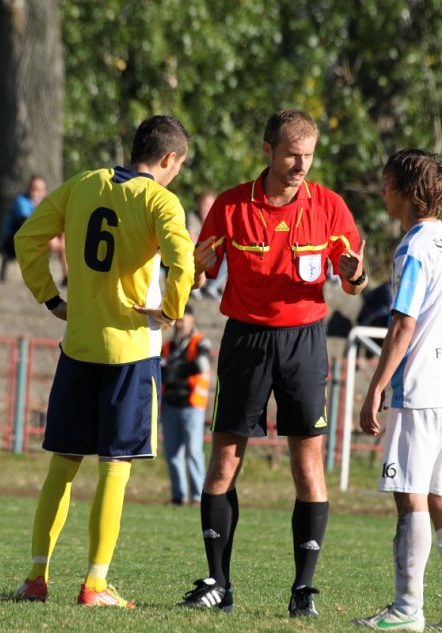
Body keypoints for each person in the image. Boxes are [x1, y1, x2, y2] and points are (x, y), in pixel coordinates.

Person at [179, 109, 368, 618]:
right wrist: (193, 269)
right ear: (268, 150)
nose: (301, 165)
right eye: (291, 155)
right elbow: (197, 274)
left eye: (308, 155)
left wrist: (356, 275)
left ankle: (303, 590)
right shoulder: (232, 205)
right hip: (246, 339)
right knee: (225, 460)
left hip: (305, 342)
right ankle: (218, 583)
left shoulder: (329, 206)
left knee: (307, 465)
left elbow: (354, 283)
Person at [11, 115, 195, 608]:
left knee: (62, 466)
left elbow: (27, 238)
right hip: (130, 351)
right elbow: (182, 261)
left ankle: (36, 578)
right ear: (169, 159)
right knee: (115, 467)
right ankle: (94, 585)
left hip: (79, 346)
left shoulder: (82, 184)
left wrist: (51, 298)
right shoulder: (160, 200)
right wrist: (171, 309)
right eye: (178, 166)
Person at [350, 149, 442, 632]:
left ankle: (407, 609)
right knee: (438, 494)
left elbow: (403, 325)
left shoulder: (413, 248)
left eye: (387, 182)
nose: (382, 190)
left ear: (407, 192)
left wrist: (375, 387)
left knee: (408, 495)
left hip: (421, 386)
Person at [160, 304, 211, 506]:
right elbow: (161, 369)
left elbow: (202, 364)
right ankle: (178, 496)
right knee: (172, 453)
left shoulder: (200, 342)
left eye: (183, 319)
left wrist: (176, 370)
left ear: (192, 320)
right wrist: (176, 370)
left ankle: (198, 496)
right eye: (177, 320)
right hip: (170, 404)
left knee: (193, 451)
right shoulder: (168, 346)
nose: (179, 324)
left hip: (192, 404)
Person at [0, 176, 68, 284]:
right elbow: (27, 224)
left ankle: (66, 275)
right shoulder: (21, 202)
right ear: (29, 190)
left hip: (33, 239)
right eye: (34, 189)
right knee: (45, 236)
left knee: (61, 232)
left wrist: (60, 240)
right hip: (12, 242)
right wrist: (51, 239)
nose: (37, 193)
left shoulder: (48, 205)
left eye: (40, 190)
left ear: (45, 192)